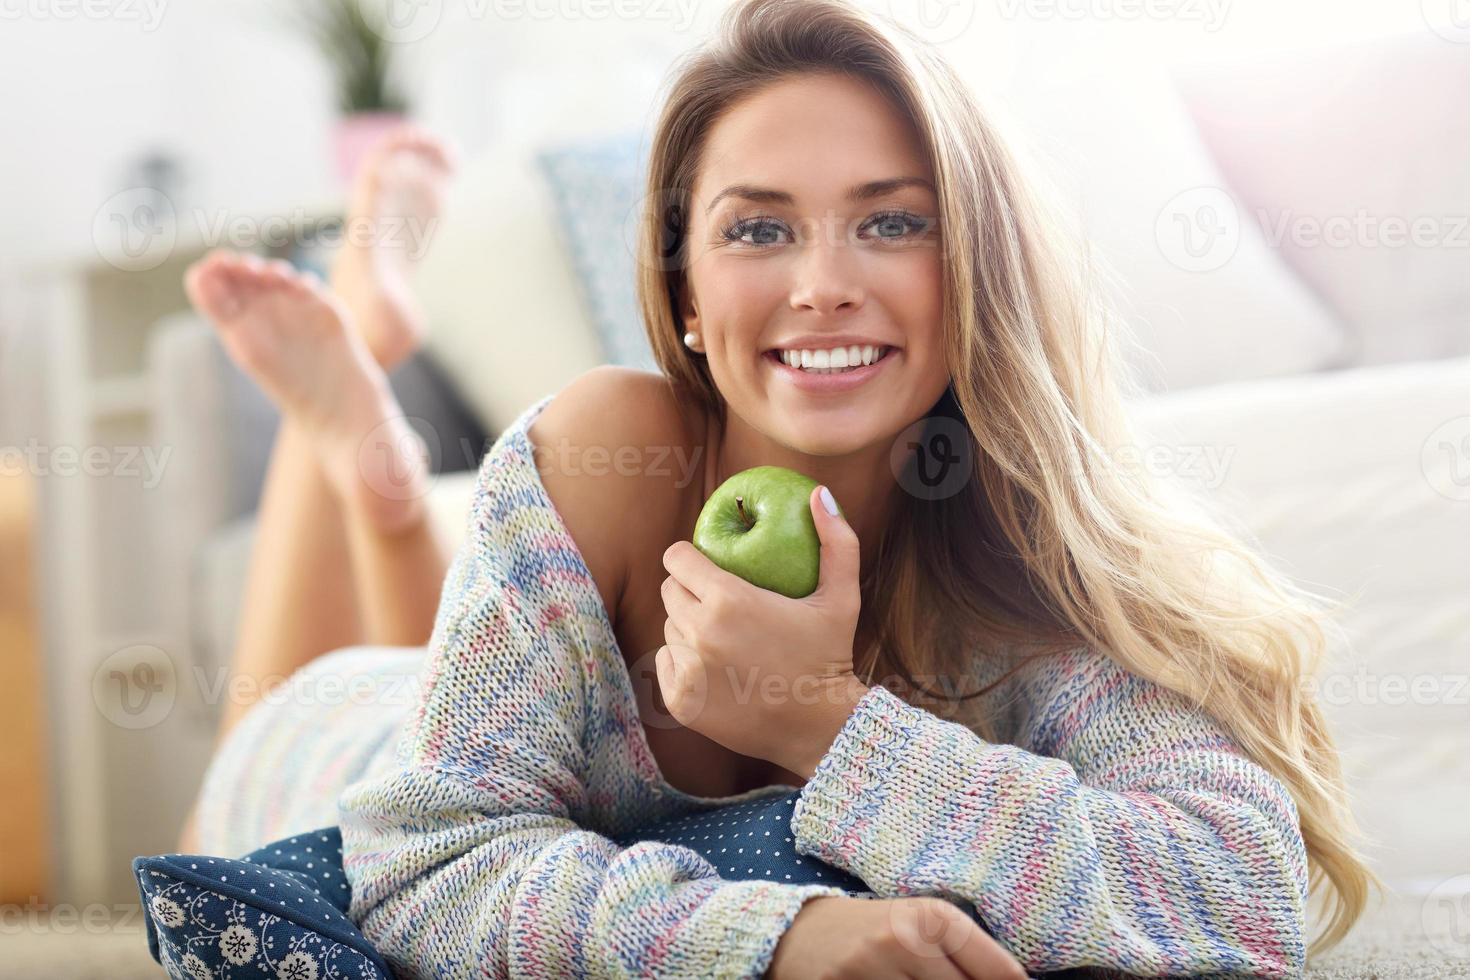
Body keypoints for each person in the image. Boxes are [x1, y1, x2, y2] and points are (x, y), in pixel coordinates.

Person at [177, 0, 1380, 976]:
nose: (822, 284)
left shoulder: (1020, 560)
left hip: (456, 702)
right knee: (299, 698)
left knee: (437, 634)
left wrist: (824, 718)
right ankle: (365, 450)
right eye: (758, 232)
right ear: (688, 296)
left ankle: (376, 453)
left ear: (976, 265)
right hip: (336, 748)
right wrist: (778, 935)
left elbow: (1233, 894)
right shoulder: (614, 448)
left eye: (893, 224)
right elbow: (425, 859)